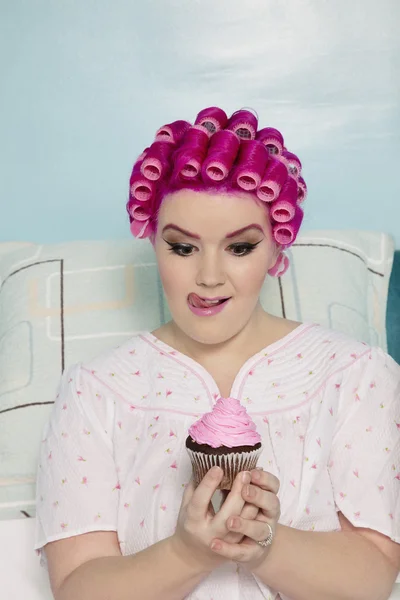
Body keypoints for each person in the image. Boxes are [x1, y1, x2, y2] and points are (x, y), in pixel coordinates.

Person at [34, 107, 400, 600]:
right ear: (153, 243)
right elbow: (79, 587)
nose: (209, 277)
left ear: (277, 247)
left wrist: (264, 545)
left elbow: (373, 575)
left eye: (240, 247)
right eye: (183, 248)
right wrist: (187, 553)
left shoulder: (355, 376)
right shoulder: (95, 390)